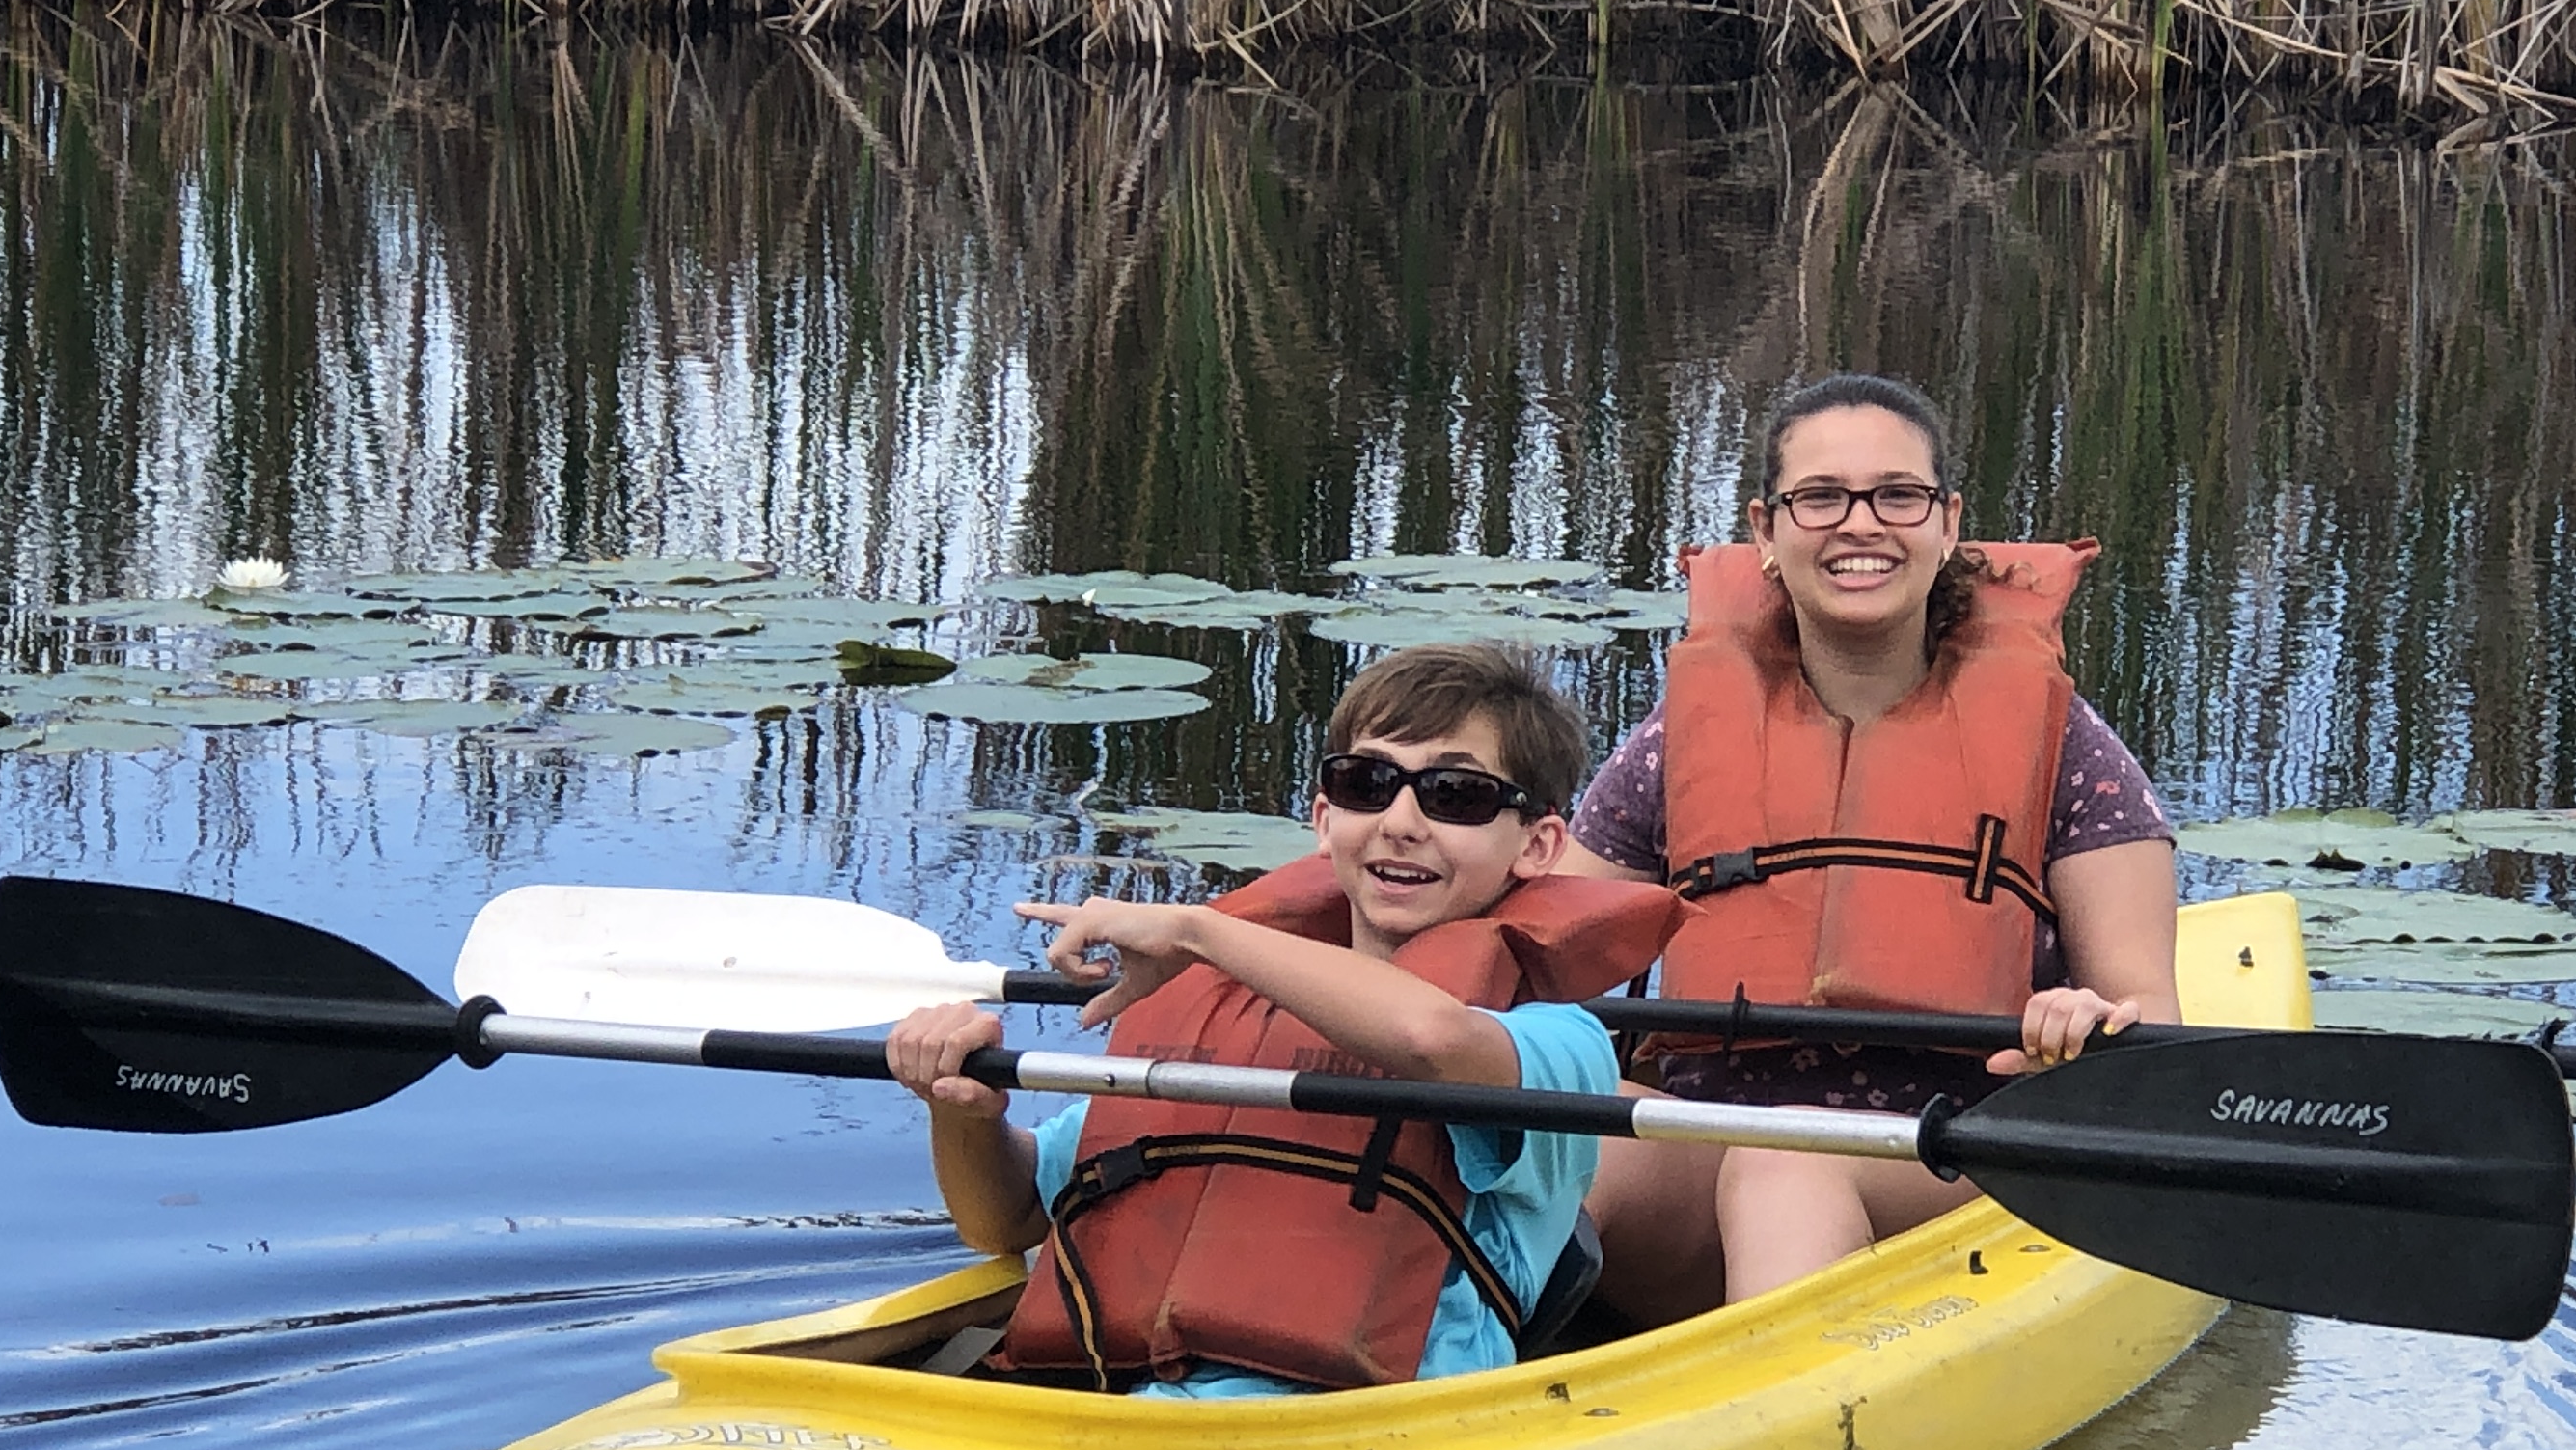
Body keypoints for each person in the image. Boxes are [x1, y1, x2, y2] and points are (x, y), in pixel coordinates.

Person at [887, 644, 1682, 1394]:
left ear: (1539, 846)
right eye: (1367, 784)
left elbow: (1429, 1037)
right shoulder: (1230, 1015)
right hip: (1102, 1406)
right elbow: (1008, 1216)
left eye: (1455, 795)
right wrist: (965, 1112)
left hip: (1350, 1435)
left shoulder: (1557, 1041)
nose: (1402, 821)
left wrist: (1199, 928)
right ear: (1324, 818)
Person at [1558, 371, 2179, 1316]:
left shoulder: (2067, 751)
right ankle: (1406, 1404)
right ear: (1766, 532)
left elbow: (2153, 1031)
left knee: (1788, 1168)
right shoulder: (1675, 749)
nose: (1861, 524)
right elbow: (1538, 954)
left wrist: (2085, 1024)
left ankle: (1771, 1436)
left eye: (1897, 495)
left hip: (1955, 1164)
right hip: (1714, 1145)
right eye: (1822, 498)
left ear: (1946, 523)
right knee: (1553, 1162)